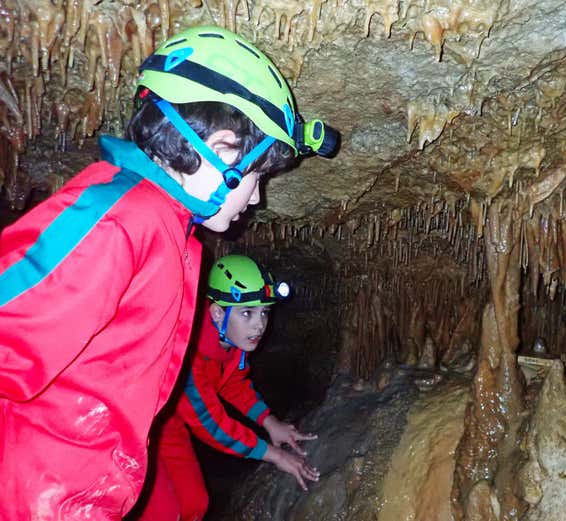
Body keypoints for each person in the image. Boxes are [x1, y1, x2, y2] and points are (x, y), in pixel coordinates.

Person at [0, 25, 336, 520]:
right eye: (258, 176)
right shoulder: (120, 217)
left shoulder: (170, 235)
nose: (257, 198)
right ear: (221, 148)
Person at [137, 254, 319, 521]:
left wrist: (269, 422)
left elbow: (233, 384)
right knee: (161, 513)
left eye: (264, 312)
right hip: (134, 427)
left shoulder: (233, 342)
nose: (259, 324)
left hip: (167, 425)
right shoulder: (186, 354)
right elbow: (211, 424)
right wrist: (273, 455)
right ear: (217, 313)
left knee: (194, 503)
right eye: (247, 313)